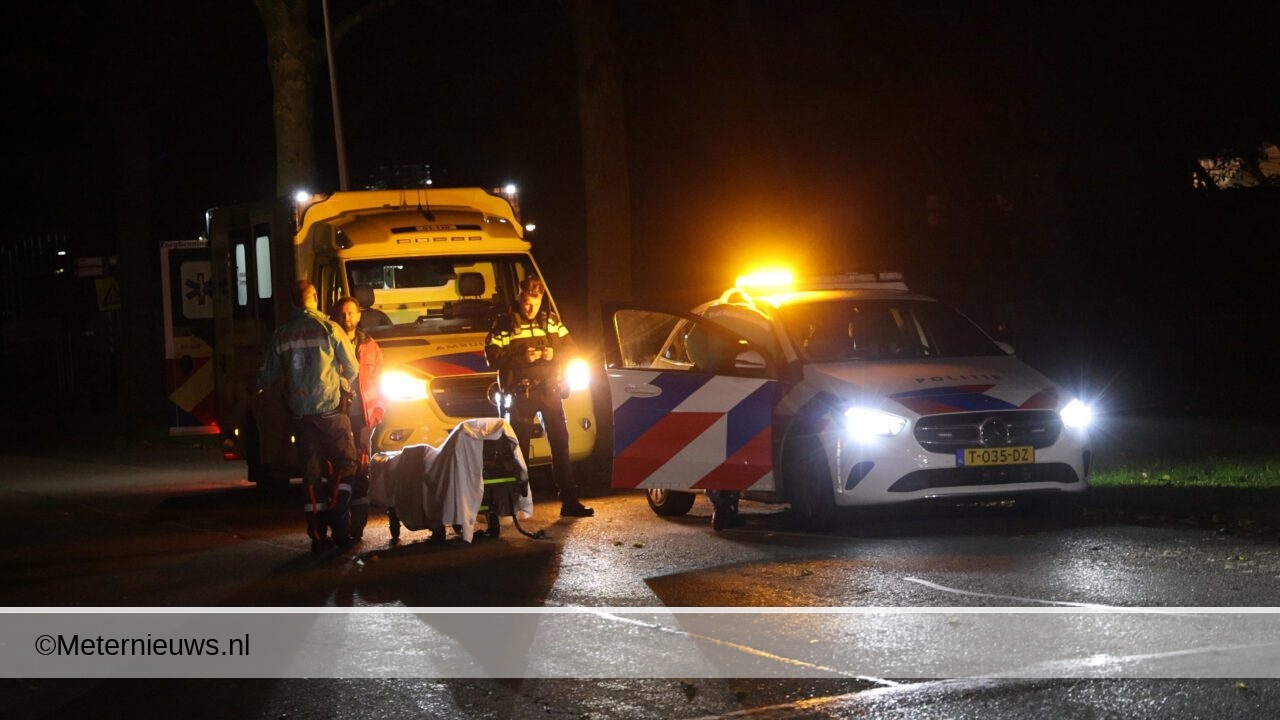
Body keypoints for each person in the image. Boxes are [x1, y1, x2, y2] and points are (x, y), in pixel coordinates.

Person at [256, 280, 360, 553]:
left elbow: (266, 375)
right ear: (314, 296)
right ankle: (338, 508)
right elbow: (352, 367)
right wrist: (342, 386)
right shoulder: (329, 328)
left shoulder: (282, 334)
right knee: (347, 463)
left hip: (301, 415)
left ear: (293, 301)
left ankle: (317, 534)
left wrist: (253, 387)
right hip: (331, 411)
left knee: (311, 474)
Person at [484, 277, 593, 517]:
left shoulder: (551, 322)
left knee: (561, 445)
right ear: (519, 296)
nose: (529, 308)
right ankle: (516, 504)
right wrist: (522, 358)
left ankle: (570, 501)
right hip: (521, 394)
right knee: (518, 451)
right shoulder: (504, 324)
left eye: (534, 303)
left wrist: (554, 353)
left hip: (549, 391)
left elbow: (572, 349)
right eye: (526, 303)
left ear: (541, 299)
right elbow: (492, 356)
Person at [331, 296, 385, 541]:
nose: (347, 318)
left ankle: (358, 524)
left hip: (364, 418)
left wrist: (378, 411)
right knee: (341, 470)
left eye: (351, 313)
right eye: (342, 314)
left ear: (359, 315)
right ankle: (341, 521)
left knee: (362, 471)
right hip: (338, 417)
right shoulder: (330, 343)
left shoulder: (370, 346)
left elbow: (379, 381)